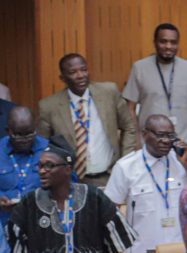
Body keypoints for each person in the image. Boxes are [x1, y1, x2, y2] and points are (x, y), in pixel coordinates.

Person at [7, 145, 137, 253]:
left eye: (49, 166)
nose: (42, 171)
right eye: (40, 166)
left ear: (68, 169)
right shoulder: (29, 202)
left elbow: (119, 240)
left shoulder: (93, 197)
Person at [103, 114, 187, 253]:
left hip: (180, 250)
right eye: (160, 135)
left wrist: (185, 164)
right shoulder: (126, 167)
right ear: (145, 134)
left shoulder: (184, 161)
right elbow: (109, 211)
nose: (166, 141)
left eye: (170, 136)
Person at [37, 53, 137, 185]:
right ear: (62, 78)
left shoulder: (109, 92)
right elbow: (42, 145)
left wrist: (125, 162)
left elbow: (129, 126)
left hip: (110, 177)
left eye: (84, 70)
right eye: (73, 72)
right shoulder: (49, 106)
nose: (80, 75)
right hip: (72, 181)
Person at [123, 24, 187, 157]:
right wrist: (136, 139)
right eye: (163, 41)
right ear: (155, 42)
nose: (168, 46)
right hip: (148, 145)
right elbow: (130, 107)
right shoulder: (139, 68)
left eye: (173, 42)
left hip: (180, 143)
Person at [1, 106, 48, 237]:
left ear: (36, 128)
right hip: (4, 225)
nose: (24, 139)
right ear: (8, 131)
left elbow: (66, 185)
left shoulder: (49, 150)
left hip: (41, 222)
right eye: (18, 134)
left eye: (29, 133)